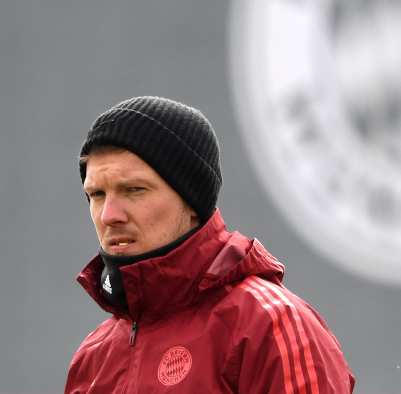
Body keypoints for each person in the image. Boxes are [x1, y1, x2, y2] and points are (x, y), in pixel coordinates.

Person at [65, 96, 355, 394]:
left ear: (191, 200)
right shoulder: (93, 356)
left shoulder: (269, 324)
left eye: (134, 190)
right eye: (97, 194)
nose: (109, 215)